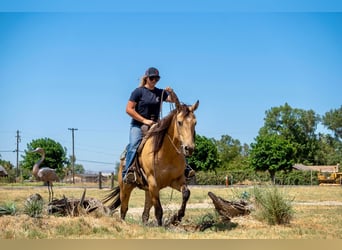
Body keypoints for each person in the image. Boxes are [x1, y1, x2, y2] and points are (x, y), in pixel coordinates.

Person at [122, 67, 195, 184]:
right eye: (152, 78)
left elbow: (175, 103)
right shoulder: (138, 92)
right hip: (138, 124)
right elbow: (128, 110)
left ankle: (185, 168)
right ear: (146, 78)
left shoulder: (160, 92)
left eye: (157, 78)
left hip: (156, 124)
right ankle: (128, 172)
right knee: (134, 144)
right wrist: (144, 120)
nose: (154, 80)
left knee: (173, 140)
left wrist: (172, 92)